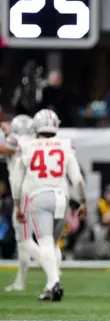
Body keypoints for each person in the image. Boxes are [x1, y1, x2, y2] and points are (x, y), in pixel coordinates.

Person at [10, 109, 87, 301]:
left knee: (44, 241)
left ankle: (54, 282)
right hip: (62, 197)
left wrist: (18, 206)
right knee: (52, 244)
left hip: (39, 196)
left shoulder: (28, 146)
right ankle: (51, 284)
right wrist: (83, 201)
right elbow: (77, 179)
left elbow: (17, 182)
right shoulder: (65, 144)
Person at [1, 115, 41, 292]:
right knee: (23, 240)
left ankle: (52, 267)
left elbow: (5, 148)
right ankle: (20, 281)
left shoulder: (16, 140)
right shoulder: (34, 141)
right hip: (36, 191)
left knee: (24, 240)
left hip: (23, 192)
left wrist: (8, 133)